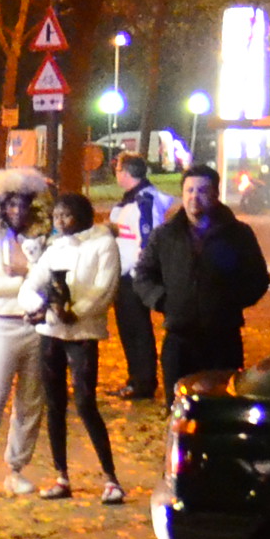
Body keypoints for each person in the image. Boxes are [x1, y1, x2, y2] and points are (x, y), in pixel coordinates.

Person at [31, 188, 126, 504]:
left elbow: (104, 289)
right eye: (56, 216)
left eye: (66, 215)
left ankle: (110, 477)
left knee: (85, 402)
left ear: (81, 217)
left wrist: (74, 312)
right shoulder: (55, 247)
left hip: (82, 333)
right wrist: (40, 306)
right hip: (51, 332)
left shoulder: (103, 245)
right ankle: (61, 475)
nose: (59, 221)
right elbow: (36, 281)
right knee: (54, 404)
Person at [142, 165, 270, 389]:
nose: (195, 197)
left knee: (221, 407)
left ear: (215, 194)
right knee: (179, 411)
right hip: (179, 338)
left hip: (223, 339)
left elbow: (257, 278)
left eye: (202, 191)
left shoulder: (238, 234)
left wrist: (229, 301)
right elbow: (143, 274)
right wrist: (163, 300)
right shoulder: (165, 235)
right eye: (189, 190)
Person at [0, 171, 52, 498]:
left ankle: (15, 469)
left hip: (36, 325)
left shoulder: (44, 239)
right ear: (0, 205)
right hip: (2, 325)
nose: (17, 212)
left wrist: (27, 277)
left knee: (31, 404)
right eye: (11, 205)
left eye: (23, 204)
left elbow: (53, 279)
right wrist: (25, 281)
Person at [109, 162, 169, 400]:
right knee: (129, 330)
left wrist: (140, 273)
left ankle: (143, 382)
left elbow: (147, 240)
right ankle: (135, 379)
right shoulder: (133, 199)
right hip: (127, 275)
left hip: (134, 277)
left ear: (125, 172)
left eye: (117, 170)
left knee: (137, 331)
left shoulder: (144, 202)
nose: (116, 174)